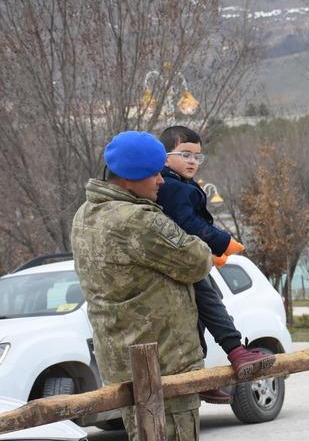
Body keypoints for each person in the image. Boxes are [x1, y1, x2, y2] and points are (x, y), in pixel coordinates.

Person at [71, 131, 213, 440]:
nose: (161, 180)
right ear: (129, 178)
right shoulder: (140, 221)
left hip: (121, 361)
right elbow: (198, 260)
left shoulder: (85, 214)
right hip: (163, 363)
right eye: (154, 173)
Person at [157, 126, 275, 404]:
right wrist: (221, 242)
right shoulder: (172, 187)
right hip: (182, 258)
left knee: (200, 312)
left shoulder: (180, 184)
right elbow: (188, 223)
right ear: (164, 157)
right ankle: (235, 350)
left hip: (190, 257)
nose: (192, 161)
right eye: (185, 154)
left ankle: (197, 371)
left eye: (197, 157)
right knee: (210, 302)